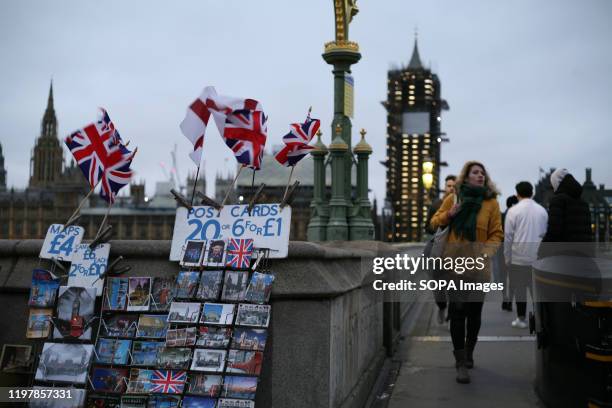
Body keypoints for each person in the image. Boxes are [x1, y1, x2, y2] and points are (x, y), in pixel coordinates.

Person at [430, 161, 503, 384]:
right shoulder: (453, 198)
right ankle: (460, 361)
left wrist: (485, 253)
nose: (480, 176)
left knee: (474, 314)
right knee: (458, 311)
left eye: (483, 172)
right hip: (454, 265)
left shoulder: (491, 203)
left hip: (479, 268)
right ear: (467, 176)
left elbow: (497, 234)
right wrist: (448, 215)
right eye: (475, 172)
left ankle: (470, 352)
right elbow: (434, 223)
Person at [504, 181, 548, 328]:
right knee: (536, 291)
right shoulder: (542, 211)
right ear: (532, 192)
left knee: (520, 289)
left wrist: (507, 257)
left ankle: (521, 318)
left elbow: (508, 237)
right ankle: (540, 318)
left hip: (518, 258)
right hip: (538, 258)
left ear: (517, 194)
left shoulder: (513, 211)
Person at [426, 174, 457, 324]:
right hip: (438, 249)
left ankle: (452, 311)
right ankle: (441, 306)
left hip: (455, 251)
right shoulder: (436, 204)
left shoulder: (461, 203)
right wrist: (441, 231)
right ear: (445, 187)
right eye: (448, 185)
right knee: (437, 283)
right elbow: (428, 227)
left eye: (453, 186)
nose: (451, 188)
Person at [500, 195, 519, 311]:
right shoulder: (516, 216)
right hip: (515, 250)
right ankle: (510, 300)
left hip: (502, 250)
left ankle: (505, 297)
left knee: (503, 276)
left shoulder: (502, 216)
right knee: (513, 277)